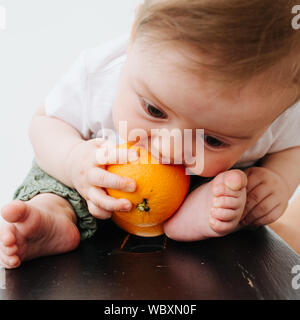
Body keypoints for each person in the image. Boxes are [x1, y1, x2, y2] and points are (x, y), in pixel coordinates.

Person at [1, 0, 300, 269]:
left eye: (212, 139)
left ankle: (199, 216)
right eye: (155, 111)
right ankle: (53, 217)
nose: (170, 149)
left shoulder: (274, 112)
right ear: (133, 39)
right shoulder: (100, 74)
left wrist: (278, 180)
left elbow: (293, 147)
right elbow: (44, 122)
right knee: (56, 174)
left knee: (236, 193)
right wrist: (74, 160)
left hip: (197, 192)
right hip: (96, 189)